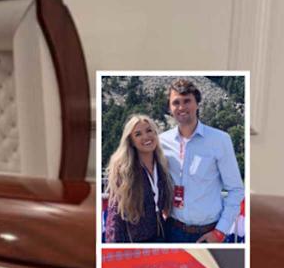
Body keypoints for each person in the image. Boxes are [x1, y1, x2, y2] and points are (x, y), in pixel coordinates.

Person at [160, 78, 244, 243]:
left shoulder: (220, 140)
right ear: (170, 108)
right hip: (171, 230)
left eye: (187, 101)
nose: (181, 107)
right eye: (176, 102)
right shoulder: (162, 142)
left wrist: (220, 232)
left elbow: (236, 190)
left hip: (208, 233)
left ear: (197, 104)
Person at [104, 114, 173, 242]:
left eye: (149, 130)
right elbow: (115, 215)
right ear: (131, 141)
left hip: (161, 237)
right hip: (134, 242)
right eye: (138, 134)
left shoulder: (162, 165)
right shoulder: (124, 171)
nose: (146, 137)